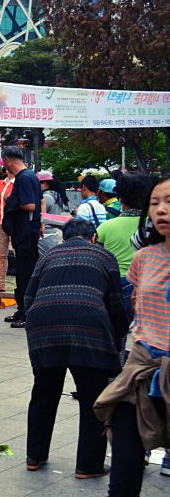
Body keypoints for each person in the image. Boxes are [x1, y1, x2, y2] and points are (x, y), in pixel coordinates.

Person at [23, 218, 127, 478]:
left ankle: (34, 457)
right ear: (93, 236)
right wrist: (117, 340)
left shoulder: (48, 255)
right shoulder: (104, 256)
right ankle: (88, 466)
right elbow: (115, 302)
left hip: (43, 327)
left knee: (44, 394)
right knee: (93, 397)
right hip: (89, 329)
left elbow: (28, 297)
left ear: (65, 238)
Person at [94, 174, 170, 496]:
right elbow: (139, 306)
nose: (161, 210)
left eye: (169, 202)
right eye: (155, 203)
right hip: (140, 369)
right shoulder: (143, 259)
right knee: (124, 471)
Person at [96, 173, 152, 313]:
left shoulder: (106, 227)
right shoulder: (155, 226)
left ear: (121, 200)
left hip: (117, 284)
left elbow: (98, 258)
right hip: (150, 283)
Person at [1, 146, 42, 328]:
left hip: (25, 234)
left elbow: (30, 205)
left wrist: (11, 200)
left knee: (25, 274)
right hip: (26, 233)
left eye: (4, 162)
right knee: (23, 273)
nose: (5, 167)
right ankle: (22, 310)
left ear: (9, 160)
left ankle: (27, 313)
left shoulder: (24, 178)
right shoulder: (29, 176)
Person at [37, 171, 69, 254]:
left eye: (37, 183)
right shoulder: (57, 195)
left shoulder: (45, 197)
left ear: (44, 183)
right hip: (53, 234)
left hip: (44, 235)